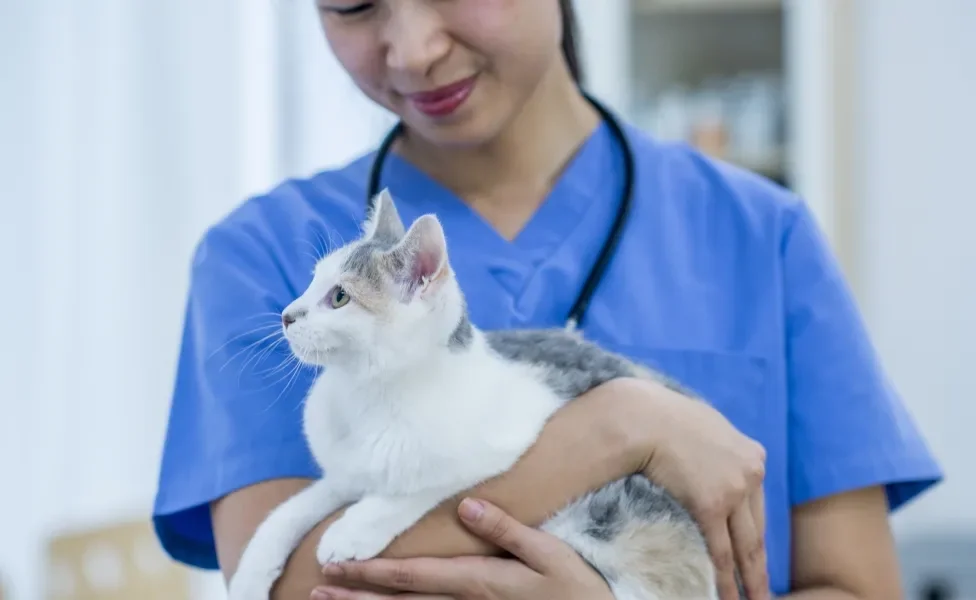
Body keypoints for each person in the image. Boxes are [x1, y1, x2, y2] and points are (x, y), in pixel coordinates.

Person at [152, 1, 943, 599]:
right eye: (354, 2)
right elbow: (291, 585)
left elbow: (858, 586)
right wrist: (615, 429)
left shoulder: (761, 235)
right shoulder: (259, 258)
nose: (416, 49)